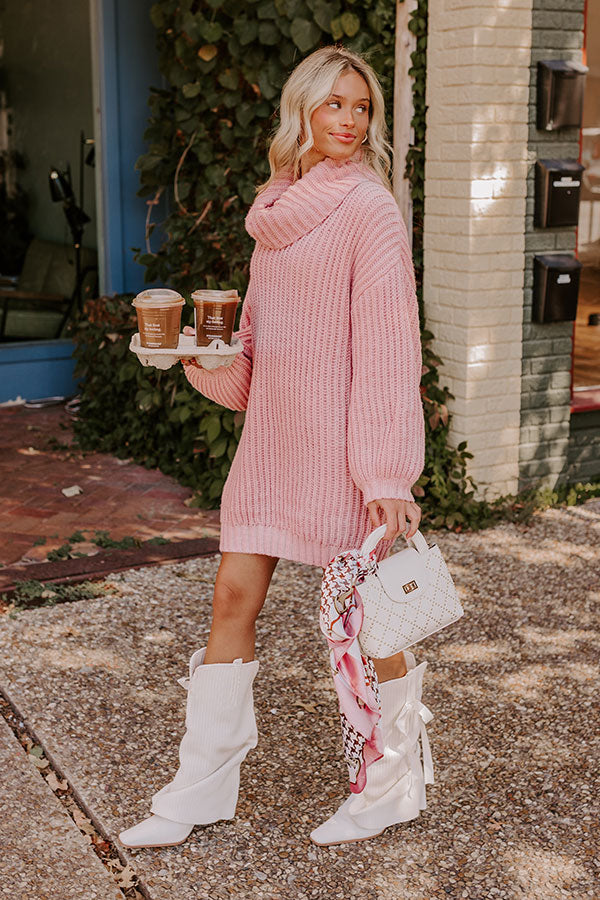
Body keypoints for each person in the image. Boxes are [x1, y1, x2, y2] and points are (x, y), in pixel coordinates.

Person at [119, 44, 433, 851]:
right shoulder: (274, 212)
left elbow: (391, 348)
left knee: (373, 625)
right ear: (303, 112)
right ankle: (200, 788)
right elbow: (251, 356)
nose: (351, 121)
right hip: (273, 446)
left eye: (361, 107)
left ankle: (393, 780)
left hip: (346, 452)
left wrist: (387, 473)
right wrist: (195, 353)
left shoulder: (371, 209)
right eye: (335, 105)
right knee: (231, 600)